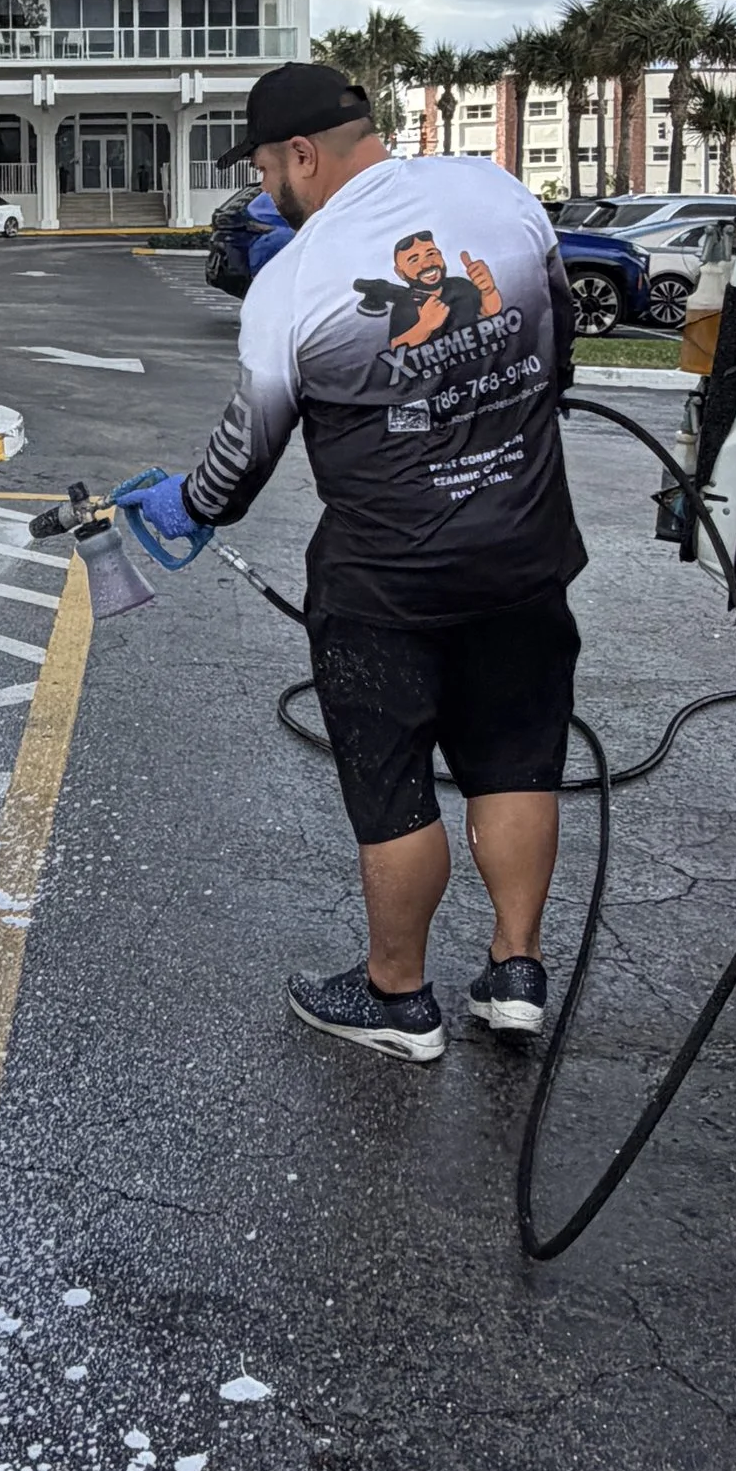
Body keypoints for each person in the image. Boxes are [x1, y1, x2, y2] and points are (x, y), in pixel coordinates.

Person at [118, 60, 583, 1063]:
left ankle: (396, 995)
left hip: (387, 586)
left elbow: (244, 457)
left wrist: (187, 505)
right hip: (522, 553)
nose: (264, 192)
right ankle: (515, 972)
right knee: (513, 760)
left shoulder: (295, 280)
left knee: (394, 788)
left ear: (298, 155)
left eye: (264, 170)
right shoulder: (493, 193)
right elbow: (559, 348)